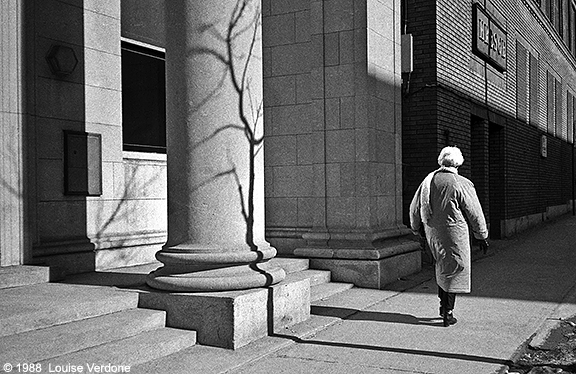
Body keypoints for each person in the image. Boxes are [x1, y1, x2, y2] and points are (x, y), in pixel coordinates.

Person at [409, 146, 489, 327]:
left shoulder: (428, 181)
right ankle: (448, 311)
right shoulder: (461, 183)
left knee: (442, 266)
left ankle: (443, 305)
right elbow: (475, 212)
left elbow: (414, 208)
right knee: (454, 269)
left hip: (433, 233)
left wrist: (416, 229)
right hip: (455, 234)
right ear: (458, 162)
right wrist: (482, 235)